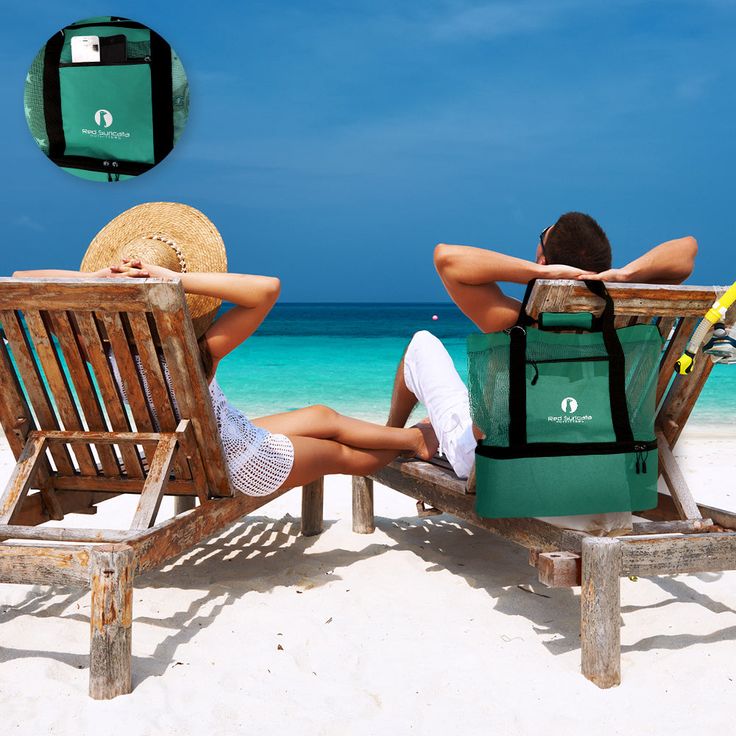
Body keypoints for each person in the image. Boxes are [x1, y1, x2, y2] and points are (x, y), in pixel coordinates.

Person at [13, 202, 437, 498]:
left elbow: (19, 277)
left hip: (150, 456)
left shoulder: (90, 347)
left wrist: (101, 279)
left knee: (323, 417)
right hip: (223, 461)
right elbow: (266, 289)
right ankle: (416, 442)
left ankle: (409, 437)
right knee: (345, 457)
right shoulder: (194, 350)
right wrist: (172, 278)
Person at [387, 211, 698, 481]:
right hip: (592, 457)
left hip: (500, 463)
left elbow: (446, 257)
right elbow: (687, 249)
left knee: (421, 345)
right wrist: (625, 275)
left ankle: (391, 437)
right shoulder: (622, 322)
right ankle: (418, 434)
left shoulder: (519, 323)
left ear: (544, 260)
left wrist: (539, 275)